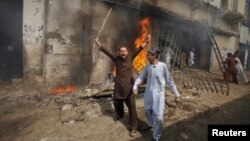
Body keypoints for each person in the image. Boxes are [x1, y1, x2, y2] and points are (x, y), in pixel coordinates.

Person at [94, 37, 150, 137]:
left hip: (129, 88)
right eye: (121, 51)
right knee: (117, 102)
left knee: (132, 108)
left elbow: (139, 48)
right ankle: (120, 114)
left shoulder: (131, 57)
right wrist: (99, 45)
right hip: (119, 87)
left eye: (125, 51)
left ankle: (134, 127)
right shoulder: (116, 59)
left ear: (127, 52)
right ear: (119, 52)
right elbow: (108, 52)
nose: (123, 52)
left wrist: (146, 42)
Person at [133, 48, 180, 141]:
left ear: (154, 56)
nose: (147, 57)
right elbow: (141, 76)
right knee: (147, 110)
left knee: (159, 118)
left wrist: (177, 94)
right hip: (148, 93)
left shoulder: (163, 66)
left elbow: (170, 81)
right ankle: (150, 124)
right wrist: (135, 86)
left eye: (148, 55)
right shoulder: (147, 67)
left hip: (159, 95)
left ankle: (156, 137)